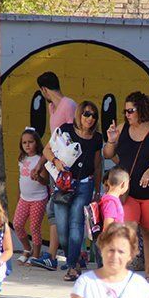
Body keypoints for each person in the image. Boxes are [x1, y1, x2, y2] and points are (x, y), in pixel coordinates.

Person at [103, 92, 149, 283]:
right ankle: (122, 269)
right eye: (125, 111)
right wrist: (111, 139)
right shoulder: (123, 128)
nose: (127, 114)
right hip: (128, 192)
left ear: (142, 109)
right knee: (128, 230)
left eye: (130, 110)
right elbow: (108, 154)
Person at [43, 101, 103, 282]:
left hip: (84, 184)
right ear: (79, 114)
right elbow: (47, 149)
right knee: (62, 228)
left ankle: (71, 267)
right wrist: (55, 161)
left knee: (76, 224)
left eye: (93, 115)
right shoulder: (66, 129)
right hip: (64, 185)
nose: (90, 118)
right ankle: (75, 259)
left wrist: (97, 191)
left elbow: (98, 165)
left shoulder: (97, 138)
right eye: (86, 114)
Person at [29, 72, 77, 270]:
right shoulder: (52, 107)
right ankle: (54, 256)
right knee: (55, 210)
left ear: (44, 90)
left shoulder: (69, 105)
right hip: (54, 166)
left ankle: (63, 255)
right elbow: (53, 139)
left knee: (65, 210)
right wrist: (41, 163)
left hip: (67, 168)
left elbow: (75, 135)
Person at [13, 128, 49, 263]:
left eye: (30, 142)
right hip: (24, 198)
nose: (27, 145)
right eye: (24, 143)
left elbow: (46, 182)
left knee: (34, 228)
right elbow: (20, 180)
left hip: (38, 199)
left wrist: (38, 178)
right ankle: (27, 249)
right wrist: (19, 197)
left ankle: (36, 255)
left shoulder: (41, 160)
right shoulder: (22, 159)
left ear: (37, 143)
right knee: (17, 224)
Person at [100, 166, 129, 232]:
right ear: (123, 184)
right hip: (112, 240)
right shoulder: (111, 202)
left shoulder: (108, 198)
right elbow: (108, 225)